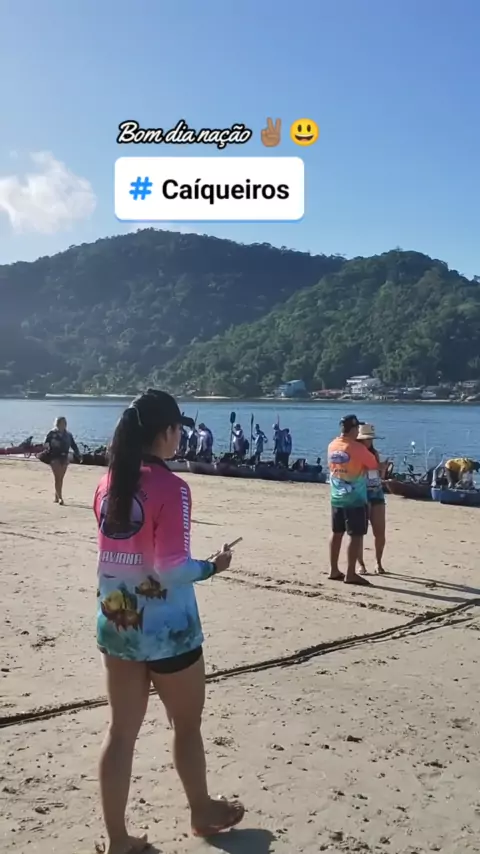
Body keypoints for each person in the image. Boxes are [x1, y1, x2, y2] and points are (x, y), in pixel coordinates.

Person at [94, 390, 245, 853]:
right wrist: (213, 566)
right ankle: (201, 810)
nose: (181, 436)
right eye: (179, 428)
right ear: (167, 431)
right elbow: (171, 567)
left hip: (117, 621)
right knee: (186, 724)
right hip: (167, 630)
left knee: (121, 733)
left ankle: (118, 840)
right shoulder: (172, 487)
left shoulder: (105, 483)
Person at [327, 414, 379, 586]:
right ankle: (350, 573)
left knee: (336, 533)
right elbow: (373, 465)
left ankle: (333, 569)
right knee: (355, 535)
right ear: (354, 429)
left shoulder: (332, 445)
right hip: (355, 498)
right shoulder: (357, 448)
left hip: (336, 496)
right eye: (357, 428)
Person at [356, 424, 387, 575]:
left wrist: (382, 469)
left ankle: (378, 562)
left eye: (370, 439)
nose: (369, 442)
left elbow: (380, 476)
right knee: (359, 532)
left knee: (380, 531)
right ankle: (361, 564)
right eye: (366, 439)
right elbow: (355, 472)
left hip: (376, 491)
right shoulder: (355, 453)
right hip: (361, 492)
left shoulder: (374, 453)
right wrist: (374, 467)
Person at [42, 416, 80, 505]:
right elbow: (45, 443)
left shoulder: (68, 435)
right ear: (57, 424)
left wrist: (78, 454)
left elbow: (74, 445)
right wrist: (48, 446)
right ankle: (60, 498)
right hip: (54, 457)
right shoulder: (52, 433)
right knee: (57, 478)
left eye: (65, 423)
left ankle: (56, 496)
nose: (64, 425)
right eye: (62, 423)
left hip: (64, 458)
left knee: (61, 478)